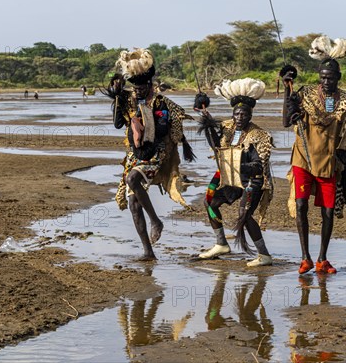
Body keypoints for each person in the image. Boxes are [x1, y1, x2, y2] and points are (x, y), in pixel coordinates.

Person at [282, 36, 346, 275]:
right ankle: (305, 257)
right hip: (303, 158)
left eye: (330, 77)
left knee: (328, 211)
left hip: (330, 163)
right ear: (318, 76)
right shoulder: (304, 95)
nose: (326, 81)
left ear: (338, 78)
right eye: (322, 77)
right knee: (300, 205)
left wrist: (345, 159)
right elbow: (285, 121)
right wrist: (287, 96)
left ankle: (322, 258)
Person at [101, 48, 195, 260]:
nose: (138, 91)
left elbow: (161, 130)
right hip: (135, 153)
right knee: (134, 203)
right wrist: (117, 99)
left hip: (156, 153)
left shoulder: (161, 103)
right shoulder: (129, 99)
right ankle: (148, 252)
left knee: (132, 178)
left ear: (151, 85)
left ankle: (155, 221)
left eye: (142, 88)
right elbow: (118, 124)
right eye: (135, 88)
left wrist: (141, 117)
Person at [197, 78, 274, 267]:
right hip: (229, 177)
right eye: (236, 114)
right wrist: (206, 121)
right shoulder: (227, 127)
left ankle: (264, 255)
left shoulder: (260, 136)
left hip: (253, 180)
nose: (239, 118)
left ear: (250, 116)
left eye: (243, 115)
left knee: (245, 216)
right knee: (210, 203)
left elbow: (259, 165)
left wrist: (238, 164)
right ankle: (221, 243)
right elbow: (216, 146)